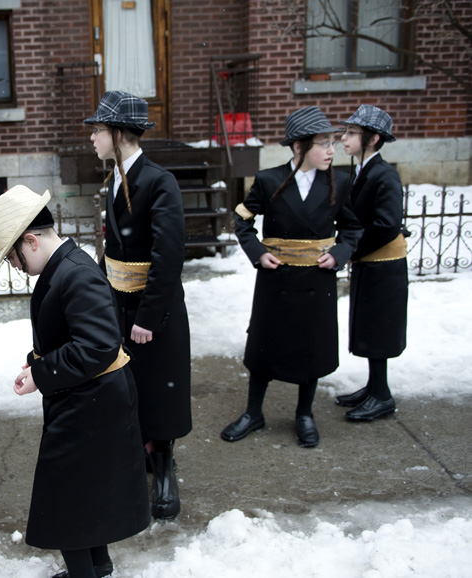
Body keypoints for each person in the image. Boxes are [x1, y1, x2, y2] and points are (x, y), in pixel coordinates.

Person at [0, 186, 150, 578]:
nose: (15, 265)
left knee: (66, 500)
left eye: (12, 257)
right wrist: (35, 364)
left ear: (31, 240)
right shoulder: (65, 267)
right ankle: (99, 565)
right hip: (87, 397)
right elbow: (68, 335)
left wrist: (41, 374)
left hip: (92, 401)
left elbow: (97, 347)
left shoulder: (74, 274)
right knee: (85, 491)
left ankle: (83, 574)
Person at [220, 106, 362, 448]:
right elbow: (242, 220)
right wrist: (257, 252)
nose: (332, 149)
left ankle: (304, 413)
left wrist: (339, 253)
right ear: (298, 147)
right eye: (323, 143)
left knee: (310, 347)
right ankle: (254, 412)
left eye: (333, 142)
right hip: (276, 281)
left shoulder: (340, 181)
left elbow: (353, 228)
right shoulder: (269, 180)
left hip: (317, 280)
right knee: (264, 345)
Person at [83, 90, 191, 520]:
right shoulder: (115, 178)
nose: (92, 137)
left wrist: (148, 316)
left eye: (97, 130)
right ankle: (142, 453)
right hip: (119, 306)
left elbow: (169, 256)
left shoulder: (158, 181)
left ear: (118, 132)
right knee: (132, 387)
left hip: (152, 311)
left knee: (161, 390)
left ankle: (164, 468)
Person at [336, 105, 407, 420]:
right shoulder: (362, 169)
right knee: (367, 324)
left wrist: (353, 248)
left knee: (379, 328)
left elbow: (387, 224)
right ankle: (373, 386)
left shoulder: (385, 174)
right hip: (370, 263)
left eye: (351, 133)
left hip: (384, 266)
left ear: (373, 138)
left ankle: (382, 396)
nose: (344, 138)